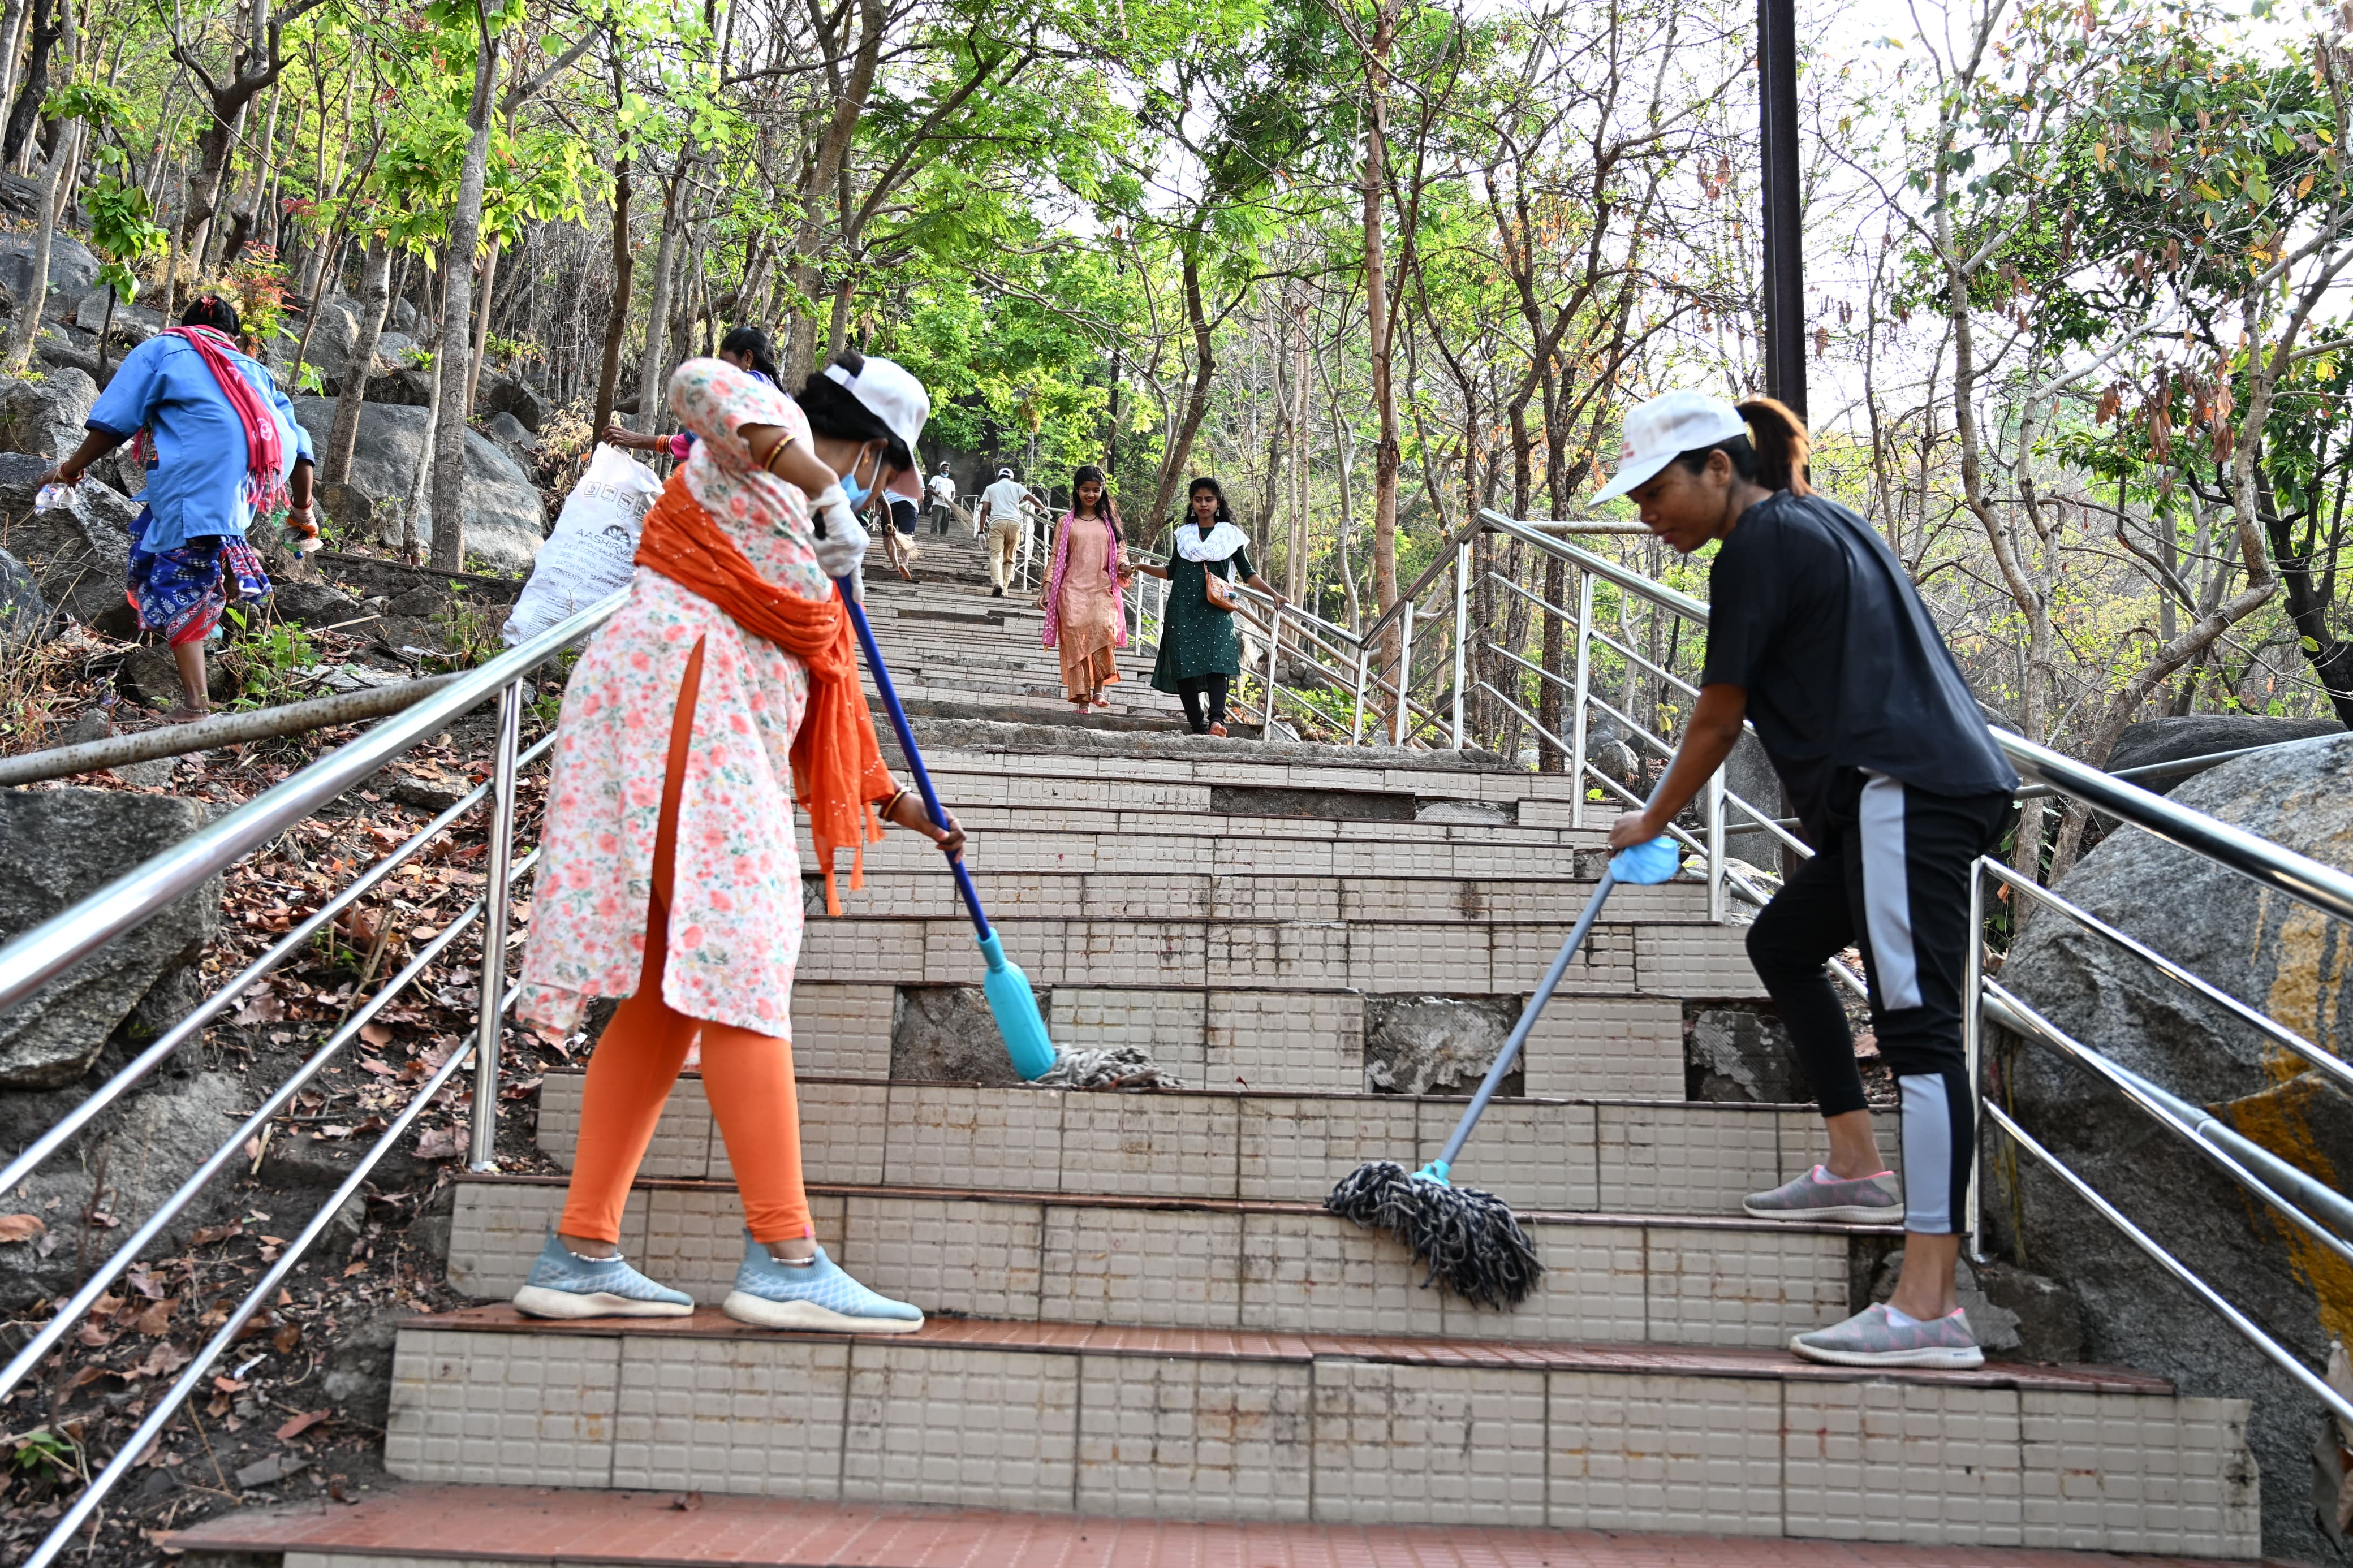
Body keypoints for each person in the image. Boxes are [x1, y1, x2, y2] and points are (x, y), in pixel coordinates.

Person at [510, 351, 966, 1332]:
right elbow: (694, 380)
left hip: (720, 724)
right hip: (682, 696)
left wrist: (900, 807)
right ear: (877, 450)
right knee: (745, 952)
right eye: (885, 477)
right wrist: (821, 489)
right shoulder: (756, 441)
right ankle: (784, 1253)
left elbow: (821, 700)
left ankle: (581, 1246)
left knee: (671, 996)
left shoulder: (809, 546)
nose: (877, 497)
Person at [1592, 390, 2017, 1371]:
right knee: (1780, 940)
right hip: (1903, 794)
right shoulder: (1817, 521)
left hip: (1903, 790)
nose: (1646, 516)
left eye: (1656, 492)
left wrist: (1648, 818)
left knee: (1916, 1028)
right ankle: (1858, 1165)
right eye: (1635, 501)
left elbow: (1719, 714)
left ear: (1716, 467)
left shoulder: (1758, 544)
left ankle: (1929, 1306)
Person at [40, 295, 316, 723]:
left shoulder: (164, 347)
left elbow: (117, 419)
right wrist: (303, 510)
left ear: (181, 323)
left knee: (178, 578)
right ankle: (215, 630)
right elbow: (300, 448)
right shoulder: (254, 372)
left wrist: (68, 469)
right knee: (189, 549)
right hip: (249, 485)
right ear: (235, 337)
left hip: (197, 479)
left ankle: (196, 707)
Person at [1132, 477, 1283, 737]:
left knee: (1218, 664)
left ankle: (1216, 720)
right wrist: (1143, 566)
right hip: (1182, 610)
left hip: (1216, 610)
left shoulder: (1229, 536)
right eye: (1198, 499)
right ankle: (1197, 725)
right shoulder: (1185, 536)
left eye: (1209, 499)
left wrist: (1274, 596)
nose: (1204, 504)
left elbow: (1248, 573)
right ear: (1192, 503)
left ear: (1218, 502)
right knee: (1184, 668)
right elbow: (1172, 571)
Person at [602, 325, 779, 460]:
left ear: (748, 358)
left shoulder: (748, 387)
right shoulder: (779, 395)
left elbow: (698, 441)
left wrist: (639, 440)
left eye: (726, 361)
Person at [1036, 465, 1131, 712]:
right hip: (1071, 591)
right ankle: (1081, 697)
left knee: (1102, 630)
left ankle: (1098, 689)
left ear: (1103, 491)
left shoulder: (1110, 522)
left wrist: (1124, 565)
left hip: (1102, 588)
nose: (1091, 494)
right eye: (1086, 490)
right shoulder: (1066, 522)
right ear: (1077, 491)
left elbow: (1121, 551)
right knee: (1075, 640)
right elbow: (1057, 556)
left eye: (1096, 490)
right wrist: (1047, 587)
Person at [980, 465, 1027, 596]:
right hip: (1015, 524)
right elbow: (1031, 498)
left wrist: (981, 532)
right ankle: (1004, 589)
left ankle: (997, 584)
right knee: (1010, 559)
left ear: (998, 477)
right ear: (1011, 478)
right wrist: (1042, 508)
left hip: (997, 523)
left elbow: (984, 510)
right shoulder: (1017, 486)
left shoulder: (991, 488)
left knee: (996, 556)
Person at [926, 463, 958, 534]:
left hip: (948, 506)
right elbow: (929, 489)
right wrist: (938, 496)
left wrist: (951, 500)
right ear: (941, 469)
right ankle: (933, 540)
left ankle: (943, 540)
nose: (946, 469)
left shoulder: (951, 481)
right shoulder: (936, 478)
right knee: (935, 525)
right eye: (944, 468)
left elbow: (953, 493)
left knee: (945, 526)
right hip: (938, 505)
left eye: (947, 468)